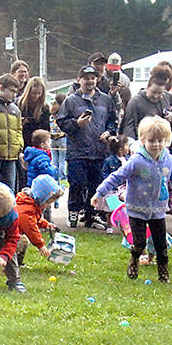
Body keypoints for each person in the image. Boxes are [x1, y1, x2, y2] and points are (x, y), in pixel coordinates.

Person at [92, 116, 172, 283]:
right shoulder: (137, 160)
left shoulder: (168, 159)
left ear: (166, 140)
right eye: (152, 140)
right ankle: (134, 259)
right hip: (136, 208)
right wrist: (100, 192)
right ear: (143, 140)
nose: (156, 145)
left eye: (160, 140)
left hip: (158, 209)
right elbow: (117, 176)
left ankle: (163, 274)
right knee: (139, 243)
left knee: (161, 245)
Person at [57, 66, 116, 229]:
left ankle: (91, 215)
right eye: (86, 78)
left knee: (96, 185)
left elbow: (113, 120)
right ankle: (74, 211)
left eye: (92, 78)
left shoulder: (105, 99)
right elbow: (61, 122)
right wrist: (76, 124)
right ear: (79, 80)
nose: (89, 81)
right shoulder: (71, 100)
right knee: (77, 183)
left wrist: (109, 132)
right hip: (78, 151)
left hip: (99, 150)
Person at [14, 174, 63, 264]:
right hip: (8, 234)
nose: (48, 205)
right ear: (41, 197)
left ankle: (17, 263)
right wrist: (41, 245)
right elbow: (31, 228)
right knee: (20, 242)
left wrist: (45, 224)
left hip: (15, 232)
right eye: (48, 202)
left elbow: (34, 219)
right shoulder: (26, 209)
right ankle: (11, 263)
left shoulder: (30, 205)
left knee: (22, 241)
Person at [121, 75, 172, 140]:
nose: (156, 96)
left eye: (160, 93)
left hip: (162, 142)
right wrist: (132, 145)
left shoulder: (167, 98)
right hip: (142, 143)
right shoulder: (135, 102)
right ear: (147, 88)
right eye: (153, 92)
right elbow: (129, 127)